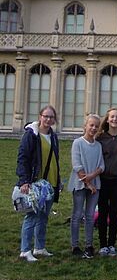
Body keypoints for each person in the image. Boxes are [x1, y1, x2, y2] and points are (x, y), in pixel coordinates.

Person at [17, 105, 61, 262]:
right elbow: (23, 158)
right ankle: (25, 250)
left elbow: (55, 160)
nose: (48, 119)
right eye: (46, 116)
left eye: (51, 117)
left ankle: (39, 247)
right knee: (31, 217)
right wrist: (24, 181)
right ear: (40, 116)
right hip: (35, 183)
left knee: (43, 217)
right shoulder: (31, 135)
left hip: (50, 183)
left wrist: (58, 181)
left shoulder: (53, 136)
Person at [69, 114, 104, 258]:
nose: (93, 128)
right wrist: (87, 183)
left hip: (95, 184)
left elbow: (101, 166)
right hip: (80, 184)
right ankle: (75, 245)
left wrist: (92, 177)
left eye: (96, 126)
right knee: (77, 215)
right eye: (91, 125)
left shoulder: (98, 145)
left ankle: (89, 245)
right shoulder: (77, 143)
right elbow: (77, 165)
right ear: (85, 126)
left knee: (90, 215)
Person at [97, 108, 117, 256]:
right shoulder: (100, 138)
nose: (115, 119)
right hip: (102, 179)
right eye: (112, 117)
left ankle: (112, 244)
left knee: (114, 212)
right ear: (107, 119)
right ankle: (103, 244)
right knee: (102, 212)